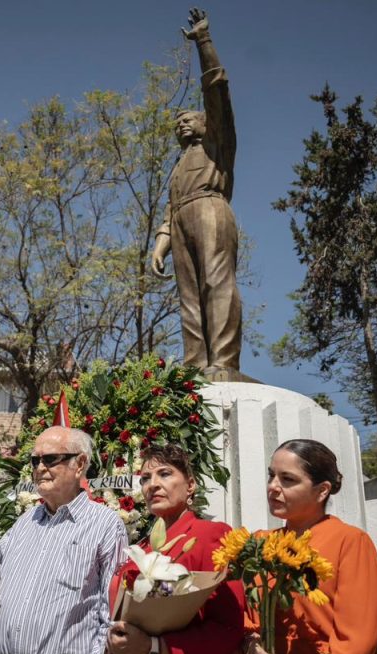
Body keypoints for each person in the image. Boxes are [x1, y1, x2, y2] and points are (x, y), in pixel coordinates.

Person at [0, 426, 128, 654]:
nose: (39, 467)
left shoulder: (105, 524)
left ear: (80, 464)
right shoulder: (25, 522)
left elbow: (113, 612)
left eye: (50, 459)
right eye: (35, 460)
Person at [239, 439, 377, 654]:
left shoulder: (350, 541)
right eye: (271, 476)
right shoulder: (261, 543)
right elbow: (247, 617)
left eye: (288, 479)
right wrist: (249, 645)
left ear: (322, 490)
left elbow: (357, 641)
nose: (273, 487)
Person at [151, 9, 241, 378]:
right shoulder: (178, 167)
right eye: (177, 123)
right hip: (183, 218)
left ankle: (223, 361)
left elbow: (216, 90)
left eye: (188, 118)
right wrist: (161, 243)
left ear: (205, 123)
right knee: (188, 295)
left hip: (210, 208)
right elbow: (170, 211)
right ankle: (196, 364)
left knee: (216, 282)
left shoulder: (216, 144)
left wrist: (203, 41)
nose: (181, 123)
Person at [105, 444, 246, 654]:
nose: (152, 485)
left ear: (190, 485)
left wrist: (156, 647)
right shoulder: (140, 549)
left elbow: (228, 628)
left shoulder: (210, 536)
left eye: (165, 473)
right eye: (145, 478)